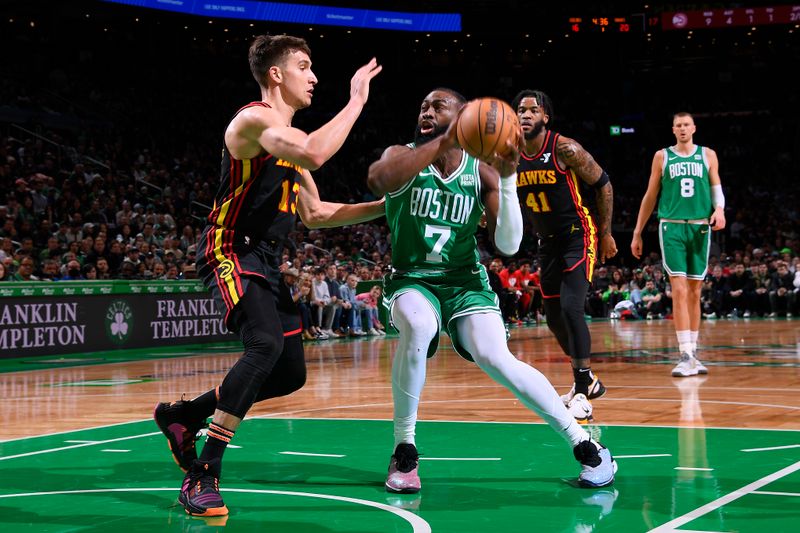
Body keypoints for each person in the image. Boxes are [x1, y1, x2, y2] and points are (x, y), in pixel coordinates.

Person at [153, 34, 383, 517]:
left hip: (266, 263)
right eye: (305, 66)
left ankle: (184, 416)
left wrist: (389, 207)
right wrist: (356, 99)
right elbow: (315, 152)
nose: (315, 76)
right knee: (265, 346)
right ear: (276, 74)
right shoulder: (257, 120)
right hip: (230, 251)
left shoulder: (289, 148)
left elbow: (318, 213)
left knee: (289, 373)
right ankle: (204, 474)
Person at [367, 87, 616, 495]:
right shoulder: (403, 154)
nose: (427, 110)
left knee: (495, 356)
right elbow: (378, 177)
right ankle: (404, 448)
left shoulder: (481, 171)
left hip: (465, 281)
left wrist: (508, 176)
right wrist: (442, 142)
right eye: (423, 105)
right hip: (412, 278)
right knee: (417, 325)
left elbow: (510, 244)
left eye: (438, 105)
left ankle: (585, 443)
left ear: (464, 116)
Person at [511, 89, 617, 423]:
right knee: (553, 316)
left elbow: (603, 184)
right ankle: (586, 380)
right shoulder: (510, 157)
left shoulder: (563, 147)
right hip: (547, 243)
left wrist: (605, 233)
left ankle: (584, 387)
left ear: (545, 117)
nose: (525, 114)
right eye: (520, 110)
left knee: (572, 308)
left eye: (533, 110)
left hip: (578, 234)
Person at [631, 111, 726, 377]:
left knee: (695, 291)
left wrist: (719, 209)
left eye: (686, 124)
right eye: (678, 125)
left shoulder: (708, 155)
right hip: (671, 226)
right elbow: (650, 195)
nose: (682, 128)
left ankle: (693, 353)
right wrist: (637, 231)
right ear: (673, 130)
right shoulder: (662, 156)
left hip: (700, 227)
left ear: (693, 127)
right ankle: (684, 354)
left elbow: (716, 187)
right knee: (680, 289)